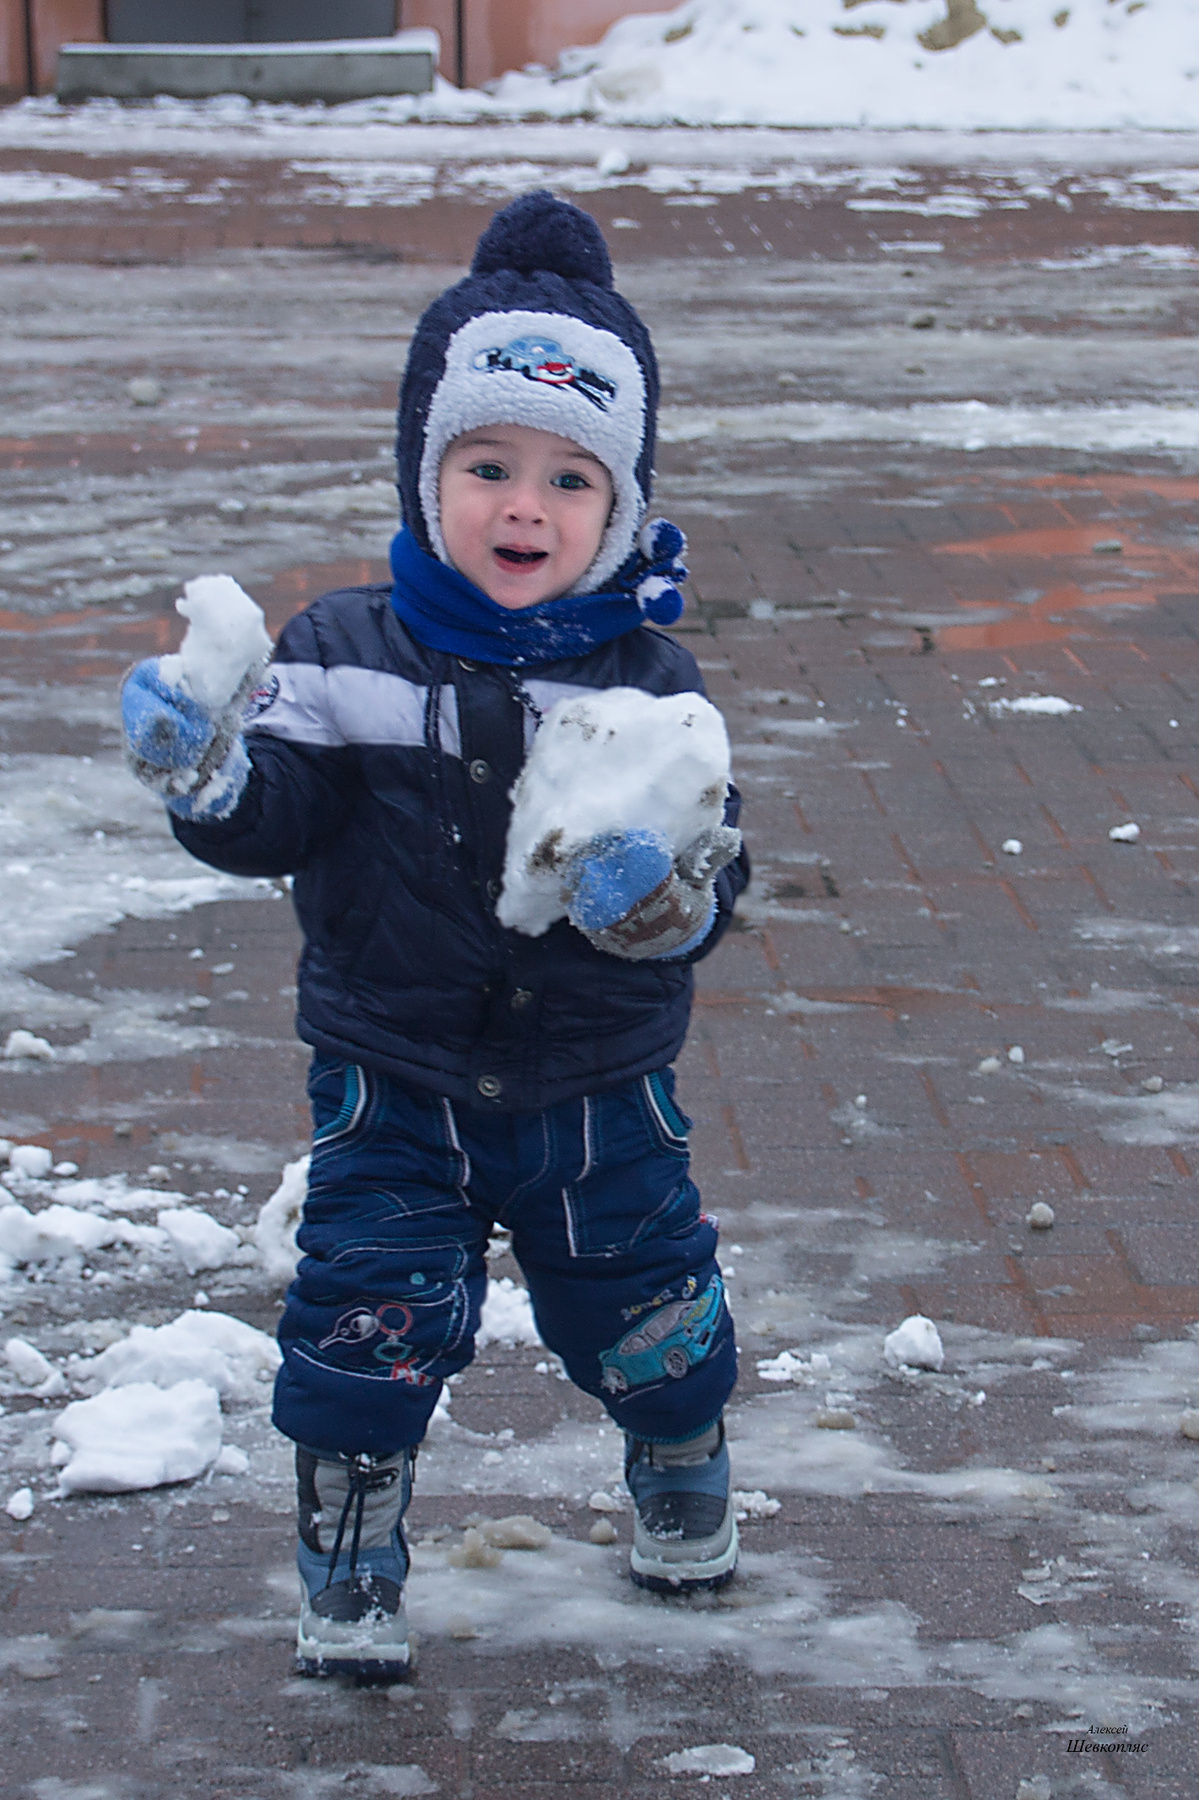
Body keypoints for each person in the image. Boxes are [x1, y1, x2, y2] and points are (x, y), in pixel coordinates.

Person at [120, 191, 750, 1679]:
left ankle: (679, 1457)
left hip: (597, 1078)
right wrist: (211, 775)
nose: (524, 507)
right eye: (487, 467)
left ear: (621, 504)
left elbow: (716, 873)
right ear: (426, 475)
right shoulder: (341, 654)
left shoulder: (651, 685)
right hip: (392, 1071)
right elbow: (276, 815)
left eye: (570, 479)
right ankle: (350, 1554)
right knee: (363, 1321)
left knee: (647, 1308)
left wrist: (660, 904)